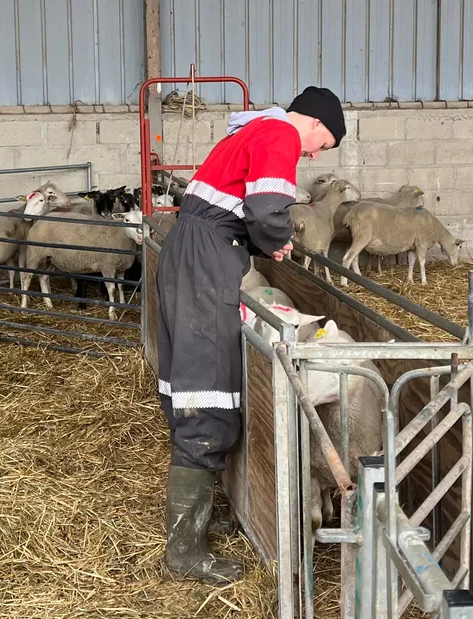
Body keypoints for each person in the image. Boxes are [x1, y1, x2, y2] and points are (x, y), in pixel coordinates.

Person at [154, 86, 346, 584]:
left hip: (192, 253)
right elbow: (264, 209)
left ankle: (194, 517)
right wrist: (278, 242)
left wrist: (261, 242)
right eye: (322, 144)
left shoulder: (254, 130)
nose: (313, 153)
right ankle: (183, 551)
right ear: (317, 123)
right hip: (208, 263)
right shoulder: (280, 133)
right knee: (208, 387)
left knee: (194, 378)